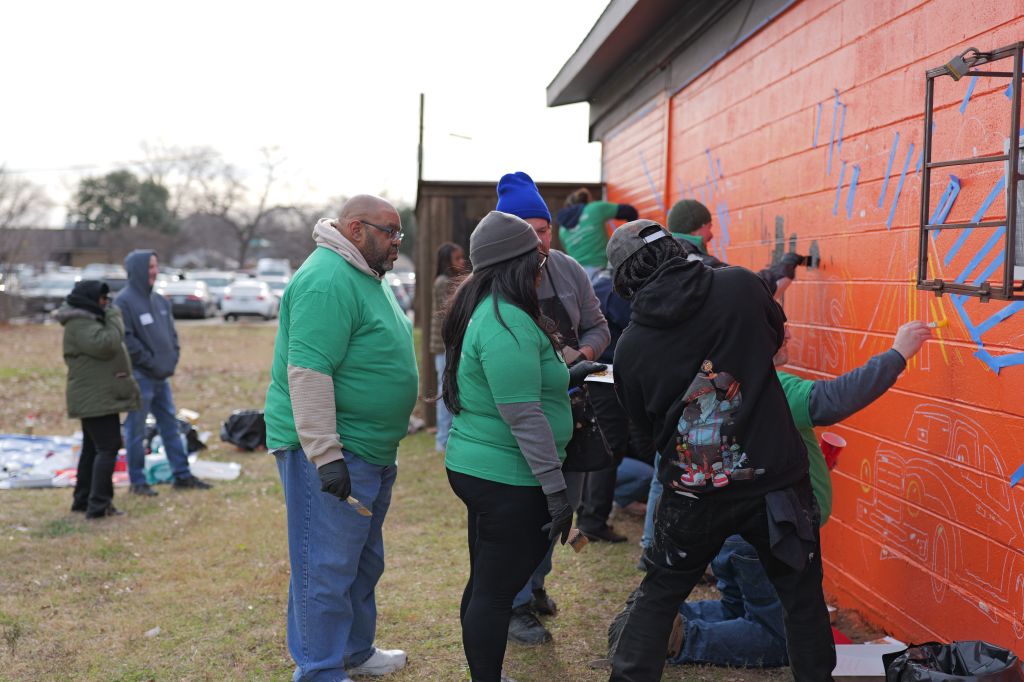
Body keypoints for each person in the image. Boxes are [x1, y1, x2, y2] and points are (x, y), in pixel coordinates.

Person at [604, 219, 835, 682]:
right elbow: (774, 343)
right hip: (775, 484)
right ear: (674, 249)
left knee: (660, 594)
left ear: (625, 279)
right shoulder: (741, 287)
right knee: (801, 599)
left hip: (694, 488)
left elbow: (645, 428)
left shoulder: (631, 346)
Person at [664, 321, 932, 668]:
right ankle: (682, 640)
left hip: (730, 531)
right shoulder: (774, 389)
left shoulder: (715, 386)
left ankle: (661, 615)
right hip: (764, 537)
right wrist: (899, 353)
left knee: (737, 608)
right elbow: (833, 399)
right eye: (778, 328)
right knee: (778, 637)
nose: (789, 334)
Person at [264, 195, 419, 682]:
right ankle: (320, 670)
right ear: (355, 228)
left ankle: (354, 652)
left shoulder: (364, 275)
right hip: (334, 452)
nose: (397, 242)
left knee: (362, 561)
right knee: (325, 569)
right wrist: (326, 456)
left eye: (399, 233)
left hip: (369, 449)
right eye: (389, 232)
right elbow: (309, 372)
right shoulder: (327, 280)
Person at [442, 210, 601, 682]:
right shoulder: (505, 323)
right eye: (538, 258)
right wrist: (556, 490)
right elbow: (522, 414)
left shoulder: (497, 311)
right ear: (516, 265)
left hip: (491, 467)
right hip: (506, 475)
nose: (543, 267)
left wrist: (569, 374)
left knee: (486, 583)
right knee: (495, 592)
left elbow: (517, 387)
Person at [494, 171, 611, 645]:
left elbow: (600, 327)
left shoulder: (569, 269)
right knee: (530, 510)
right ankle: (514, 604)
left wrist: (579, 358)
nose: (538, 241)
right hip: (522, 417)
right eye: (526, 232)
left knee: (568, 506)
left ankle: (535, 583)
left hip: (576, 411)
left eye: (542, 230)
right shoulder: (495, 281)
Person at [116, 250, 210, 495]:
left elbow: (172, 336)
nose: (154, 272)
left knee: (170, 426)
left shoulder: (160, 301)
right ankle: (137, 481)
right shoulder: (124, 302)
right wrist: (151, 363)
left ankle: (182, 475)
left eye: (156, 266)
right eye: (150, 267)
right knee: (135, 430)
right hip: (140, 378)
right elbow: (126, 340)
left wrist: (172, 358)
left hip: (161, 378)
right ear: (137, 270)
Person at [57, 280, 141, 519]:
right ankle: (99, 505)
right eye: (103, 300)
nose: (106, 304)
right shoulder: (80, 322)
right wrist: (114, 315)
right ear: (91, 300)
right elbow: (107, 344)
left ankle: (83, 500)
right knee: (108, 447)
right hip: (95, 397)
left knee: (93, 448)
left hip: (98, 395)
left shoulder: (86, 319)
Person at [666, 198, 801, 297]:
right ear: (695, 229)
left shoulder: (665, 258)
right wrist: (785, 267)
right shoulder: (695, 263)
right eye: (709, 227)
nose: (711, 235)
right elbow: (748, 288)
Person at [431, 242, 466, 453]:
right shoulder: (444, 283)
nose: (462, 262)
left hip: (449, 345)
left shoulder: (448, 282)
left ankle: (447, 437)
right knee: (445, 392)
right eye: (457, 258)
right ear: (447, 262)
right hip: (444, 346)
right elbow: (451, 314)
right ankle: (442, 440)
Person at [556, 188, 638, 277]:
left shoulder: (562, 229)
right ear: (588, 199)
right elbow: (630, 211)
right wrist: (630, 241)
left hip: (576, 275)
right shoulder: (594, 208)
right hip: (601, 272)